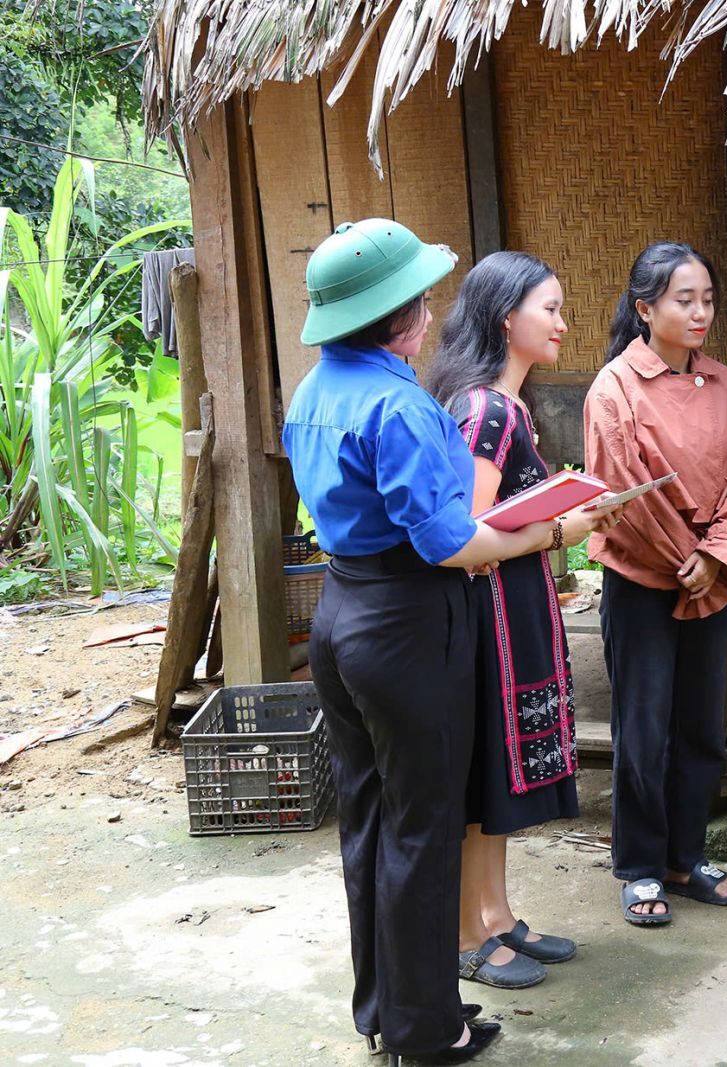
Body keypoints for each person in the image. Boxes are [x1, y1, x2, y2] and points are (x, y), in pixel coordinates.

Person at [284, 220, 558, 1064]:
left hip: (342, 610)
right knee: (424, 827)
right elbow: (448, 541)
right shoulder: (399, 403)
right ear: (391, 314)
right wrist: (549, 531)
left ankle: (386, 1007)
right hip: (408, 621)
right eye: (419, 298)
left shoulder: (313, 390)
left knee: (369, 818)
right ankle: (429, 1028)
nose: (431, 310)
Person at [428, 252, 621, 988]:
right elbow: (470, 525)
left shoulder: (501, 405)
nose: (563, 323)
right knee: (486, 772)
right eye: (551, 308)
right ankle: (467, 933)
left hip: (512, 605)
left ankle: (496, 915)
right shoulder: (490, 411)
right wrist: (563, 527)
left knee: (497, 775)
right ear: (507, 317)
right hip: (492, 616)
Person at [584, 242, 727, 926]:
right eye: (683, 300)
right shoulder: (615, 388)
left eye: (708, 300)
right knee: (644, 728)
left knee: (701, 726)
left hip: (711, 579)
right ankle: (639, 865)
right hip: (642, 575)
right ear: (644, 308)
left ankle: (685, 857)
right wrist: (685, 556)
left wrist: (718, 554)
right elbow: (623, 486)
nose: (700, 313)